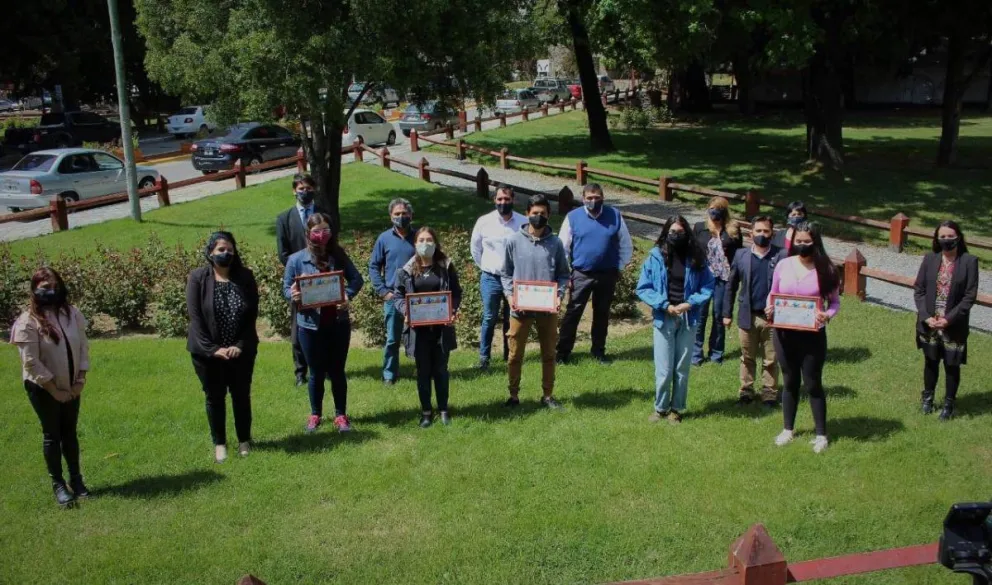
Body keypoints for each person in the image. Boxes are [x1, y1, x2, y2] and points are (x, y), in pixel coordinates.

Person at [11, 267, 90, 507]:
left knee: (70, 433)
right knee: (52, 434)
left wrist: (79, 381)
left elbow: (83, 347)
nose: (51, 291)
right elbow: (30, 362)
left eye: (54, 286)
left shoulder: (71, 314)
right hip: (43, 389)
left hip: (71, 385)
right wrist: (54, 390)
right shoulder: (28, 321)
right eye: (45, 287)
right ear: (34, 290)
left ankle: (76, 480)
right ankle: (58, 484)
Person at [285, 213, 364, 433]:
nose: (322, 234)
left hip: (338, 323)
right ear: (309, 233)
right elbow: (286, 288)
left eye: (326, 229)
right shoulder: (296, 260)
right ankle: (315, 414)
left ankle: (340, 415)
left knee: (337, 371)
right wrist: (293, 295)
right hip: (310, 325)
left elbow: (357, 279)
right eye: (317, 230)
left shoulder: (338, 255)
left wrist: (347, 295)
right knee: (316, 372)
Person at [187, 232, 259, 463]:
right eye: (220, 250)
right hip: (208, 355)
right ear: (210, 252)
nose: (225, 253)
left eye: (229, 249)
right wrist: (212, 349)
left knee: (241, 396)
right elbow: (195, 318)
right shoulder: (198, 278)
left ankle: (244, 441)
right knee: (215, 398)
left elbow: (251, 316)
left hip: (241, 352)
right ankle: (220, 443)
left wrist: (239, 345)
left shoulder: (245, 277)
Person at [767, 221, 840, 453]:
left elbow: (834, 302)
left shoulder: (826, 269)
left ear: (815, 242)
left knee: (812, 382)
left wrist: (826, 315)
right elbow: (773, 294)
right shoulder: (783, 264)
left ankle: (821, 435)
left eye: (806, 241)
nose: (802, 245)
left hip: (812, 336)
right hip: (784, 333)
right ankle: (788, 429)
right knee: (789, 381)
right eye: (798, 241)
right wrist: (770, 308)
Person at [636, 216, 715, 424]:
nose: (676, 236)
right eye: (672, 232)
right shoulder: (655, 257)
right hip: (664, 318)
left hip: (688, 318)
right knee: (664, 368)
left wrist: (690, 303)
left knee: (681, 367)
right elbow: (643, 287)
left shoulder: (697, 257)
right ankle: (661, 408)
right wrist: (664, 305)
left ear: (687, 233)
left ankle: (677, 409)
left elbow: (708, 285)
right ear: (665, 233)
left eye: (680, 232)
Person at [501, 194, 570, 409]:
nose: (538, 217)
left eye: (542, 214)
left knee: (549, 354)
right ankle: (513, 396)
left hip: (547, 309)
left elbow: (563, 275)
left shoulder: (556, 243)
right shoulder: (513, 240)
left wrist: (558, 296)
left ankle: (548, 395)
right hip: (519, 308)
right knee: (514, 354)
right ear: (527, 214)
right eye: (534, 213)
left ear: (548, 215)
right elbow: (505, 273)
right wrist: (511, 297)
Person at [556, 183, 633, 365]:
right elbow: (562, 248)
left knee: (602, 314)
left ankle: (598, 351)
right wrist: (566, 274)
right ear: (583, 199)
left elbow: (626, 245)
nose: (593, 201)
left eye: (597, 197)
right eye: (589, 198)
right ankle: (563, 353)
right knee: (573, 313)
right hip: (581, 274)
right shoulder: (572, 217)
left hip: (607, 274)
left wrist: (618, 267)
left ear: (603, 198)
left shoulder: (614, 215)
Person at [394, 227, 463, 427]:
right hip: (418, 331)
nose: (426, 244)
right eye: (421, 240)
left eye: (429, 240)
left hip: (441, 328)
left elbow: (456, 292)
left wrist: (453, 309)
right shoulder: (406, 270)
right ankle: (426, 412)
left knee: (441, 370)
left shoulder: (446, 266)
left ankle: (443, 410)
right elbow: (398, 296)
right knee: (423, 371)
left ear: (436, 242)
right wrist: (405, 312)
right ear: (415, 244)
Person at [913, 221, 979, 420]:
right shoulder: (930, 259)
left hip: (954, 324)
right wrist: (926, 317)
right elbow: (919, 290)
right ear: (936, 239)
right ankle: (928, 398)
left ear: (958, 237)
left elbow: (969, 296)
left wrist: (948, 319)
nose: (947, 240)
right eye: (943, 237)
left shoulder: (969, 261)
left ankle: (949, 404)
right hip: (930, 323)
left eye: (950, 236)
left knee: (952, 364)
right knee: (930, 361)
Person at [723, 215, 784, 407]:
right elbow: (731, 285)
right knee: (747, 357)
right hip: (747, 314)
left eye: (766, 231)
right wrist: (726, 313)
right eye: (759, 231)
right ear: (751, 233)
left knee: (771, 359)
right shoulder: (741, 255)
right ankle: (746, 392)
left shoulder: (782, 256)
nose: (762, 234)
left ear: (772, 234)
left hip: (772, 318)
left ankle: (769, 394)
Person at [275, 173, 328, 387]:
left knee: (324, 325)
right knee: (299, 329)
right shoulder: (284, 218)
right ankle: (300, 371)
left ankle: (324, 368)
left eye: (308, 188)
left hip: (324, 279)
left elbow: (332, 245)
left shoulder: (324, 215)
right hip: (299, 281)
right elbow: (282, 252)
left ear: (314, 189)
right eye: (300, 188)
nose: (304, 192)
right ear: (294, 190)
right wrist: (300, 270)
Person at [470, 184, 528, 370]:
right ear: (495, 200)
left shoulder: (523, 223)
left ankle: (508, 354)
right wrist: (486, 267)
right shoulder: (484, 222)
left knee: (511, 317)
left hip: (513, 279)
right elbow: (475, 249)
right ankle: (484, 358)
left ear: (513, 200)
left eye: (507, 199)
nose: (503, 202)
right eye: (500, 199)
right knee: (489, 317)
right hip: (491, 278)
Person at [368, 198, 416, 386]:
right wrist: (382, 291)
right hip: (393, 296)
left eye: (404, 214)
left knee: (419, 338)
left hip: (416, 297)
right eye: (397, 214)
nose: (401, 217)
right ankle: (389, 374)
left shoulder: (419, 236)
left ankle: (423, 369)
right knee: (392, 338)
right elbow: (373, 266)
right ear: (390, 217)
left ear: (411, 215)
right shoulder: (384, 239)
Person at [691, 196, 742, 366]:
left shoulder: (733, 230)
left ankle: (716, 353)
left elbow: (739, 255)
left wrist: (737, 275)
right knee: (700, 315)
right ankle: (696, 354)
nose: (714, 211)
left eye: (718, 208)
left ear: (724, 211)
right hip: (703, 278)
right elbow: (692, 250)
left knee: (719, 315)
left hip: (724, 279)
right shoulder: (700, 228)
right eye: (712, 208)